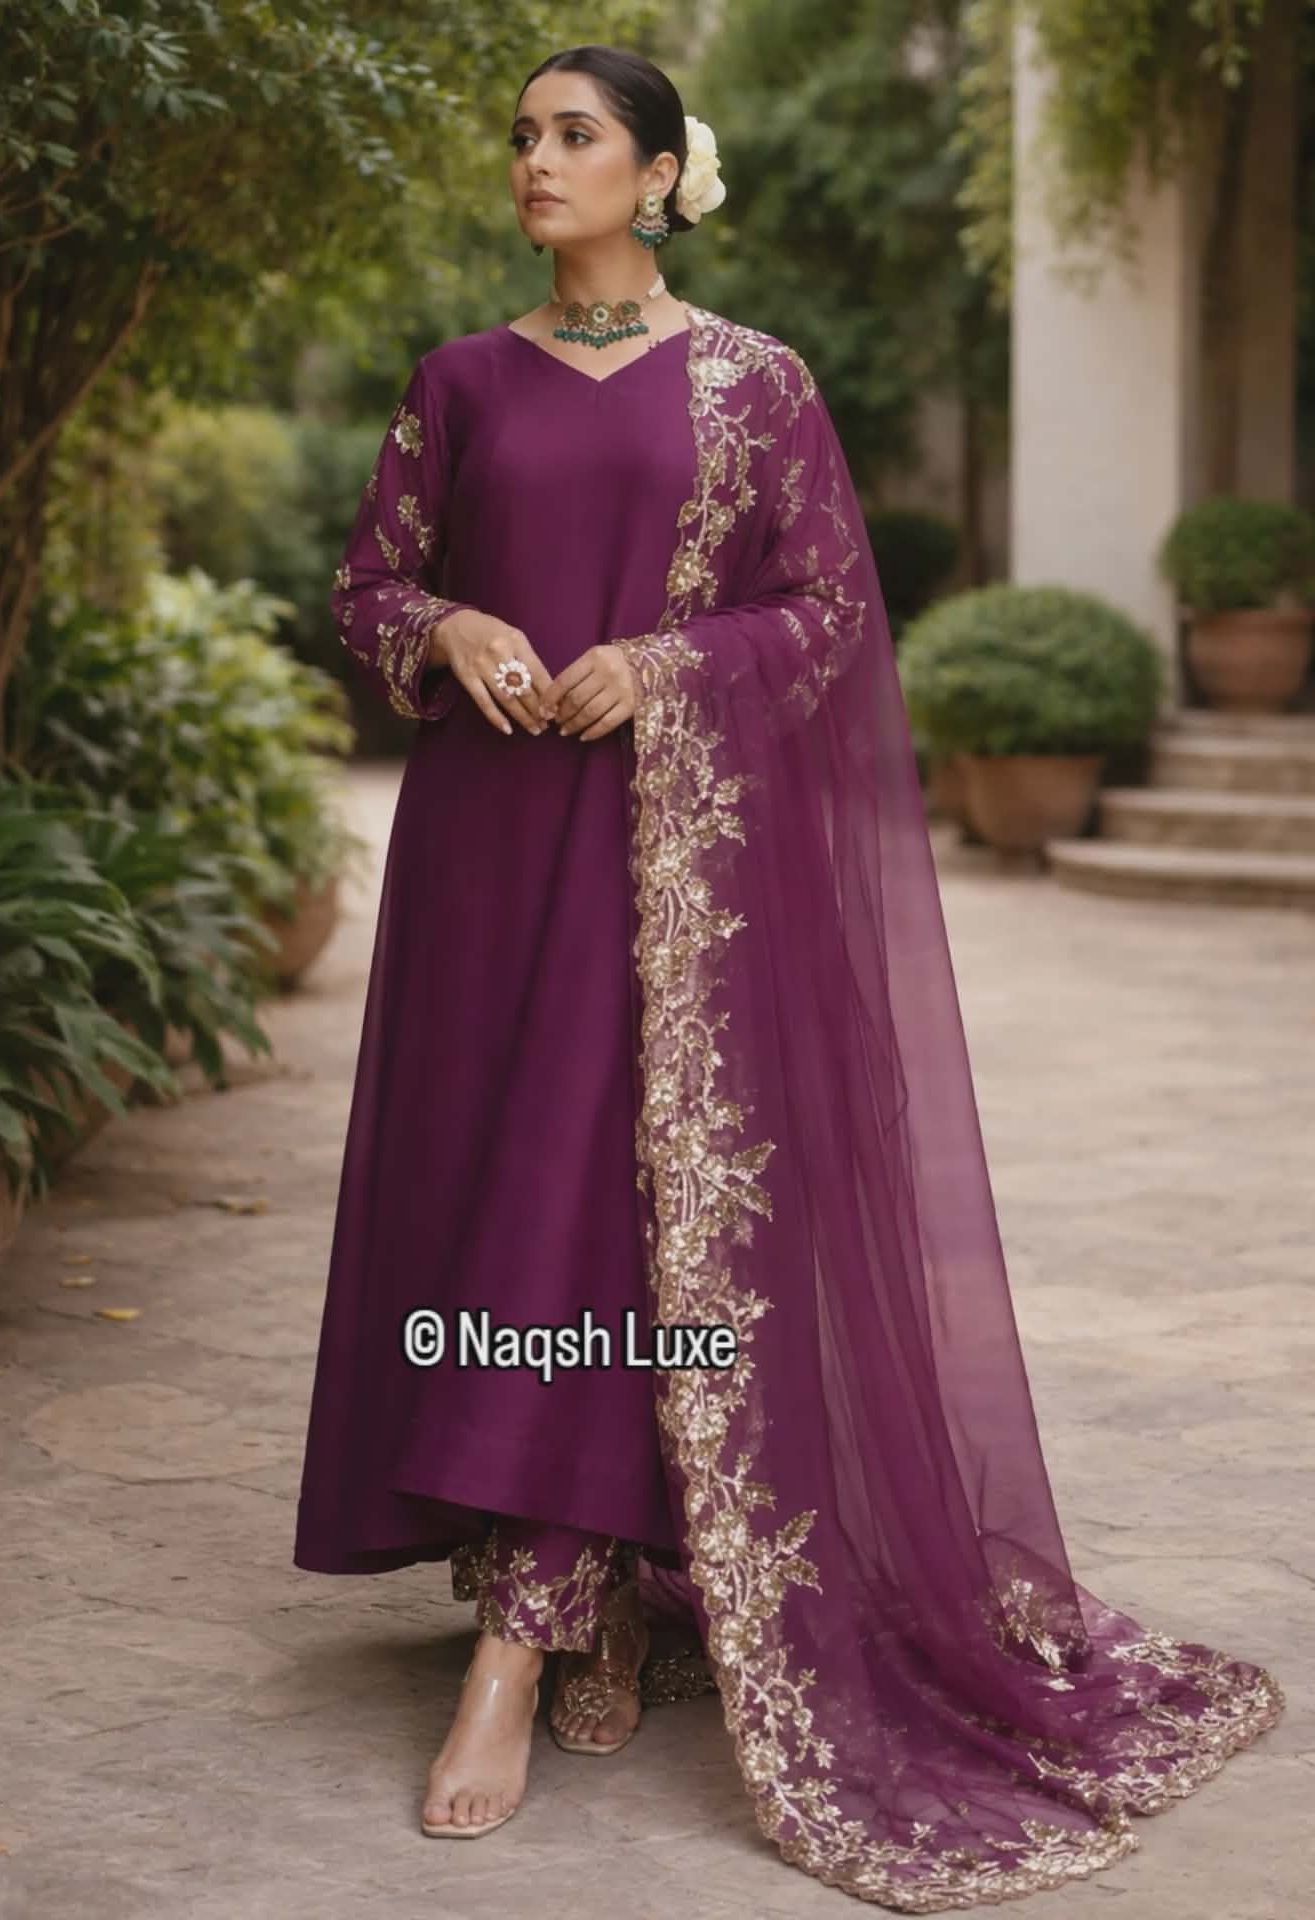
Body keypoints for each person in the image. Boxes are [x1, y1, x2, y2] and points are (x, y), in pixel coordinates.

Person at [291, 42, 1285, 1909]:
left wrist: (666, 666)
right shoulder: (458, 382)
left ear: (663, 173)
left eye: (576, 134)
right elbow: (370, 589)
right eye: (522, 136)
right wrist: (456, 624)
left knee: (592, 1211)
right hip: (486, 861)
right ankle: (592, 1591)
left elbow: (827, 613)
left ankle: (520, 1641)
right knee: (498, 1211)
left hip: (671, 880)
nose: (537, 161)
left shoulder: (757, 384)